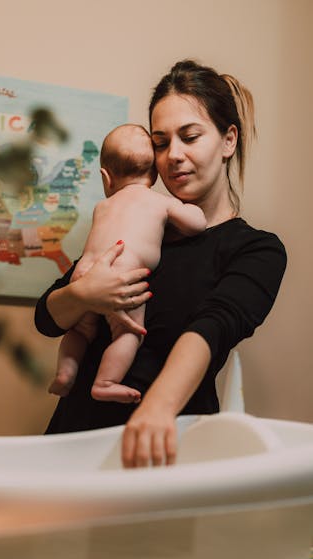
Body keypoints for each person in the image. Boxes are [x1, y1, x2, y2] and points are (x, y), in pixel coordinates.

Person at [34, 59, 287, 468]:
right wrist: (81, 294)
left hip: (167, 447)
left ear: (228, 140)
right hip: (73, 445)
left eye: (190, 137)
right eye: (161, 141)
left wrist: (157, 407)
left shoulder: (256, 249)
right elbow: (47, 318)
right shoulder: (138, 227)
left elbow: (213, 327)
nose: (174, 156)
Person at [48, 124, 206, 404]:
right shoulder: (158, 202)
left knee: (80, 330)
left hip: (87, 274)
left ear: (106, 177)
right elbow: (196, 225)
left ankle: (65, 372)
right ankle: (106, 382)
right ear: (155, 174)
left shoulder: (102, 207)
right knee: (127, 333)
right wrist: (190, 210)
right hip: (124, 276)